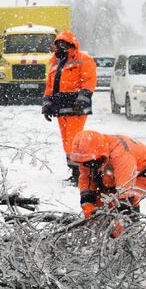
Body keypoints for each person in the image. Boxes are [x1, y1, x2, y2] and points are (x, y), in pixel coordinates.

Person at [68, 129, 146, 236]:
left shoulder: (121, 155)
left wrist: (123, 214)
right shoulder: (89, 155)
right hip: (113, 172)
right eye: (86, 163)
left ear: (100, 154)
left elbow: (126, 190)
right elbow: (86, 178)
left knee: (120, 203)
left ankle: (131, 236)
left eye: (92, 162)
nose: (89, 165)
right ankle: (103, 236)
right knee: (99, 206)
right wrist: (87, 202)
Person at [42, 30, 97, 183]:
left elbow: (89, 80)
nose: (61, 47)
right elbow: (50, 85)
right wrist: (47, 104)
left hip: (76, 107)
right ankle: (75, 170)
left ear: (72, 44)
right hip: (60, 107)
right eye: (58, 44)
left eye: (64, 44)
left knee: (74, 139)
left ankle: (80, 172)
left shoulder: (83, 59)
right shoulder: (55, 62)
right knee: (67, 140)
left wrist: (82, 99)